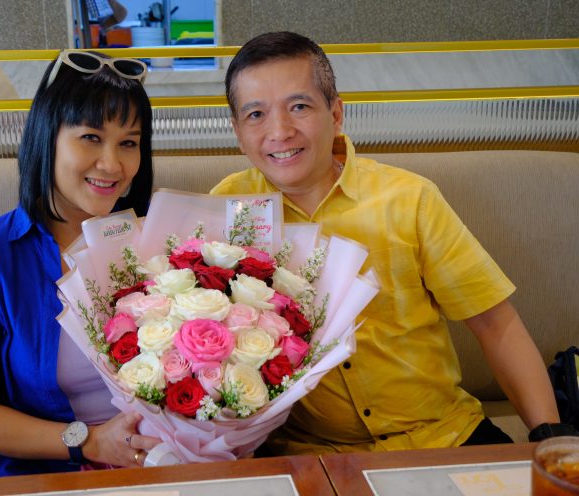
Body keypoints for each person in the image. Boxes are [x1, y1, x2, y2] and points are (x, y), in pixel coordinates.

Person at [211, 31, 573, 454]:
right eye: (256, 114)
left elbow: (495, 324)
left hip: (441, 435)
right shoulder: (227, 209)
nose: (280, 131)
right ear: (237, 131)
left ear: (336, 113)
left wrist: (551, 439)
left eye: (299, 107)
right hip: (306, 451)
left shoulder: (410, 199)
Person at [0, 50, 159, 479]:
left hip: (156, 464)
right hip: (35, 469)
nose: (112, 164)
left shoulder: (162, 242)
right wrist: (90, 441)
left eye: (128, 143)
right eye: (90, 137)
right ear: (46, 136)